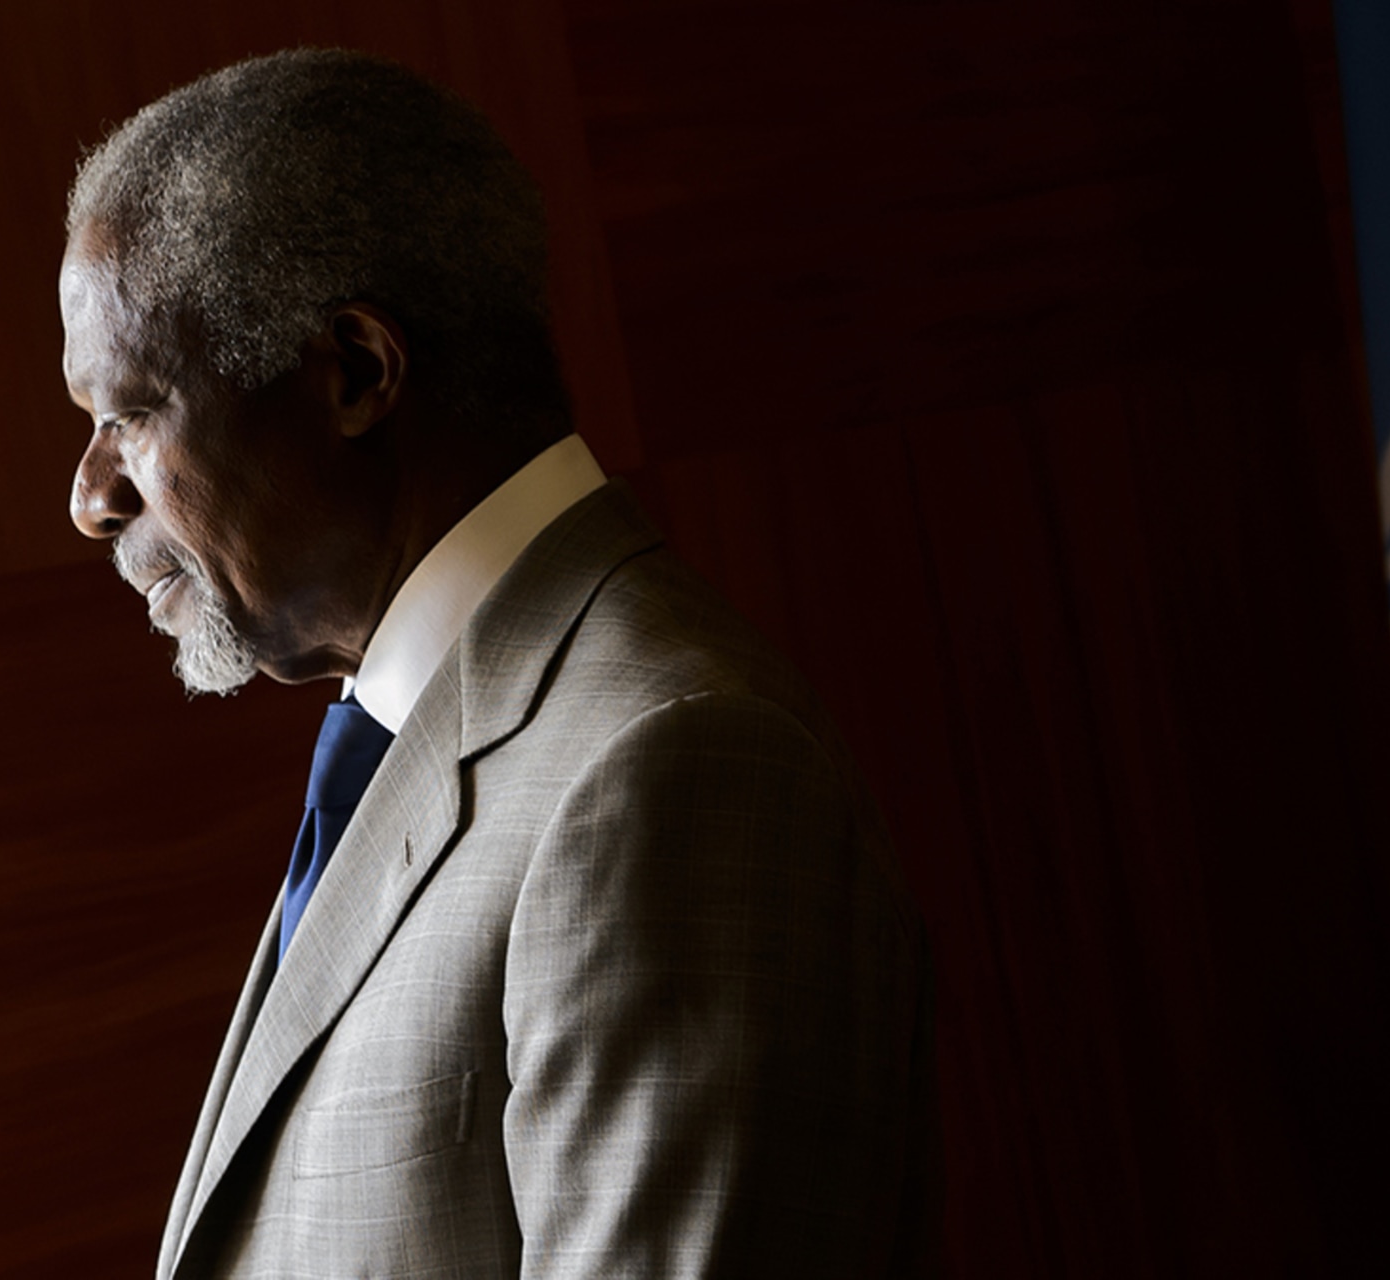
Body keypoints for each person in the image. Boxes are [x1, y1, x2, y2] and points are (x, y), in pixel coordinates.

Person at [60, 48, 939, 1279]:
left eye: (132, 412)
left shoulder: (668, 760)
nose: (90, 497)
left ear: (357, 372)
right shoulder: (411, 740)